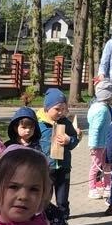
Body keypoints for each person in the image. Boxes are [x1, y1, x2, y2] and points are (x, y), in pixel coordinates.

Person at [37, 88, 80, 216]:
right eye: (57, 109)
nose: (60, 112)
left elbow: (74, 140)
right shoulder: (39, 125)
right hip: (46, 168)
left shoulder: (66, 123)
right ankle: (45, 219)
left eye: (63, 109)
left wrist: (69, 140)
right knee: (45, 197)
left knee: (62, 199)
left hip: (63, 167)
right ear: (47, 108)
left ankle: (64, 218)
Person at [87, 80, 112, 200]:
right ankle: (92, 188)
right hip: (99, 145)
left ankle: (107, 186)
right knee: (96, 166)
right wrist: (93, 145)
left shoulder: (98, 107)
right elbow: (95, 128)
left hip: (105, 143)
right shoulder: (102, 110)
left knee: (107, 165)